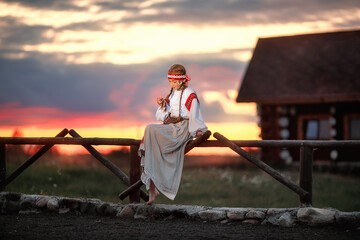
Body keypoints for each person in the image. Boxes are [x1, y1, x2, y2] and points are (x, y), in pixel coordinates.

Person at [139, 63, 208, 204]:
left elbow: (195, 114)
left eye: (174, 81)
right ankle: (152, 189)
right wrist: (163, 105)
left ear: (182, 80)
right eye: (170, 81)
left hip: (182, 129)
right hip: (171, 126)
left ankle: (159, 185)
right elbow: (164, 115)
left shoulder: (190, 94)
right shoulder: (172, 94)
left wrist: (197, 130)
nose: (172, 84)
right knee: (150, 135)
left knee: (150, 130)